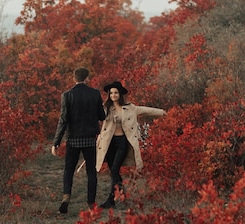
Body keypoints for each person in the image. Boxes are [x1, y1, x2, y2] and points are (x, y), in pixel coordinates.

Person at [96, 81, 166, 209]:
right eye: (111, 93)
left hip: (122, 141)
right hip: (109, 143)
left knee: (116, 169)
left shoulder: (130, 108)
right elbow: (93, 115)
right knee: (113, 171)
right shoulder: (105, 108)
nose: (113, 95)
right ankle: (121, 194)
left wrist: (162, 112)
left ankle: (111, 199)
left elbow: (146, 110)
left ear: (120, 94)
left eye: (116, 92)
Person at [52, 67, 106, 214]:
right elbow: (102, 116)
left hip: (73, 139)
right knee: (91, 172)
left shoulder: (67, 95)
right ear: (87, 78)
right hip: (89, 139)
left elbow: (63, 120)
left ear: (73, 78)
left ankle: (66, 196)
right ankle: (91, 203)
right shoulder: (95, 94)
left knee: (68, 170)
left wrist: (56, 142)